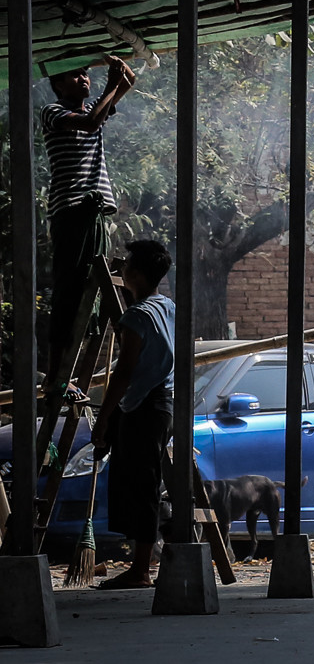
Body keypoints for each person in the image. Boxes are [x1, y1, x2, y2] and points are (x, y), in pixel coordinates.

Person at [41, 56, 135, 383]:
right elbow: (92, 123)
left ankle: (69, 374)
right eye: (74, 74)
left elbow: (129, 81)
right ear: (58, 85)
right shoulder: (54, 112)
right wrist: (109, 83)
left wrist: (116, 65)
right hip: (71, 210)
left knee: (87, 296)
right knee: (69, 292)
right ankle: (55, 377)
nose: (83, 78)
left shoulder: (92, 107)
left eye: (85, 73)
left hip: (93, 213)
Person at [91, 240, 175, 590]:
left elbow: (123, 374)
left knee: (142, 486)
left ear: (136, 275)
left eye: (126, 265)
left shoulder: (136, 317)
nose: (121, 269)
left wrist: (103, 419)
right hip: (161, 404)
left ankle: (141, 570)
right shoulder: (166, 305)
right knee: (143, 481)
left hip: (144, 405)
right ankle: (141, 563)